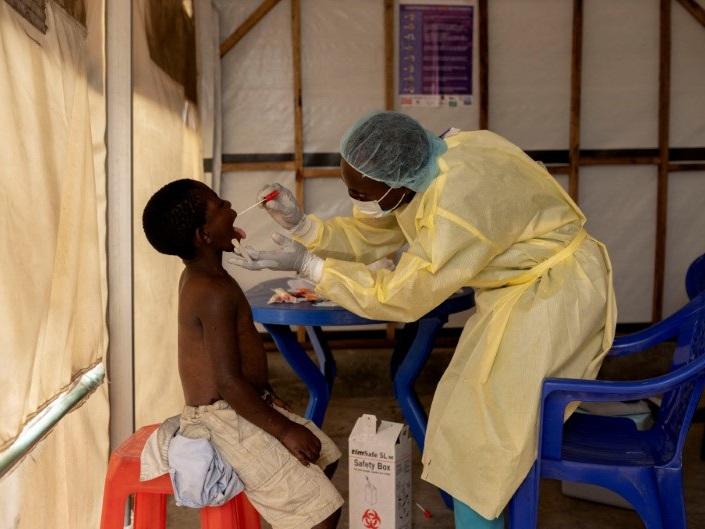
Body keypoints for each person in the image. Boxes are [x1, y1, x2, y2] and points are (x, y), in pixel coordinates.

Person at [229, 112, 617, 528]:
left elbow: (402, 296)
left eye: (360, 191)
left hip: (553, 297)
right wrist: (305, 228)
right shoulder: (437, 159)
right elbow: (379, 230)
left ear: (396, 182)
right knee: (462, 421)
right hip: (522, 292)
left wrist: (312, 266)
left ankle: (483, 518)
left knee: (487, 439)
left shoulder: (458, 206)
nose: (354, 197)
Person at [142, 179, 343, 529]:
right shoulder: (212, 291)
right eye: (220, 206)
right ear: (204, 236)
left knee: (323, 457)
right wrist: (282, 430)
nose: (231, 205)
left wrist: (266, 397)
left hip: (239, 403)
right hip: (223, 418)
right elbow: (228, 381)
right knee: (322, 515)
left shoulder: (205, 276)